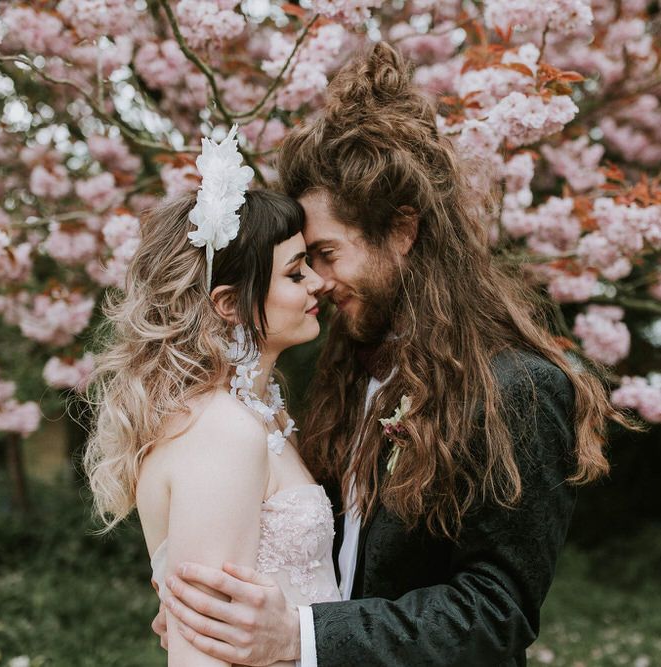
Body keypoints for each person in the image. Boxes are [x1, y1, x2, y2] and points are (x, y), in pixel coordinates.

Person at [158, 43, 630, 666]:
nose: (318, 282)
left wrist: (301, 637)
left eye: (326, 254)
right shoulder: (348, 370)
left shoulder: (516, 387)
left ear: (402, 232)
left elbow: (497, 610)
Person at [84, 127, 340, 667]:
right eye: (296, 273)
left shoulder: (257, 414)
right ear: (228, 303)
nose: (318, 283)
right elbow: (201, 656)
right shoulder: (221, 431)